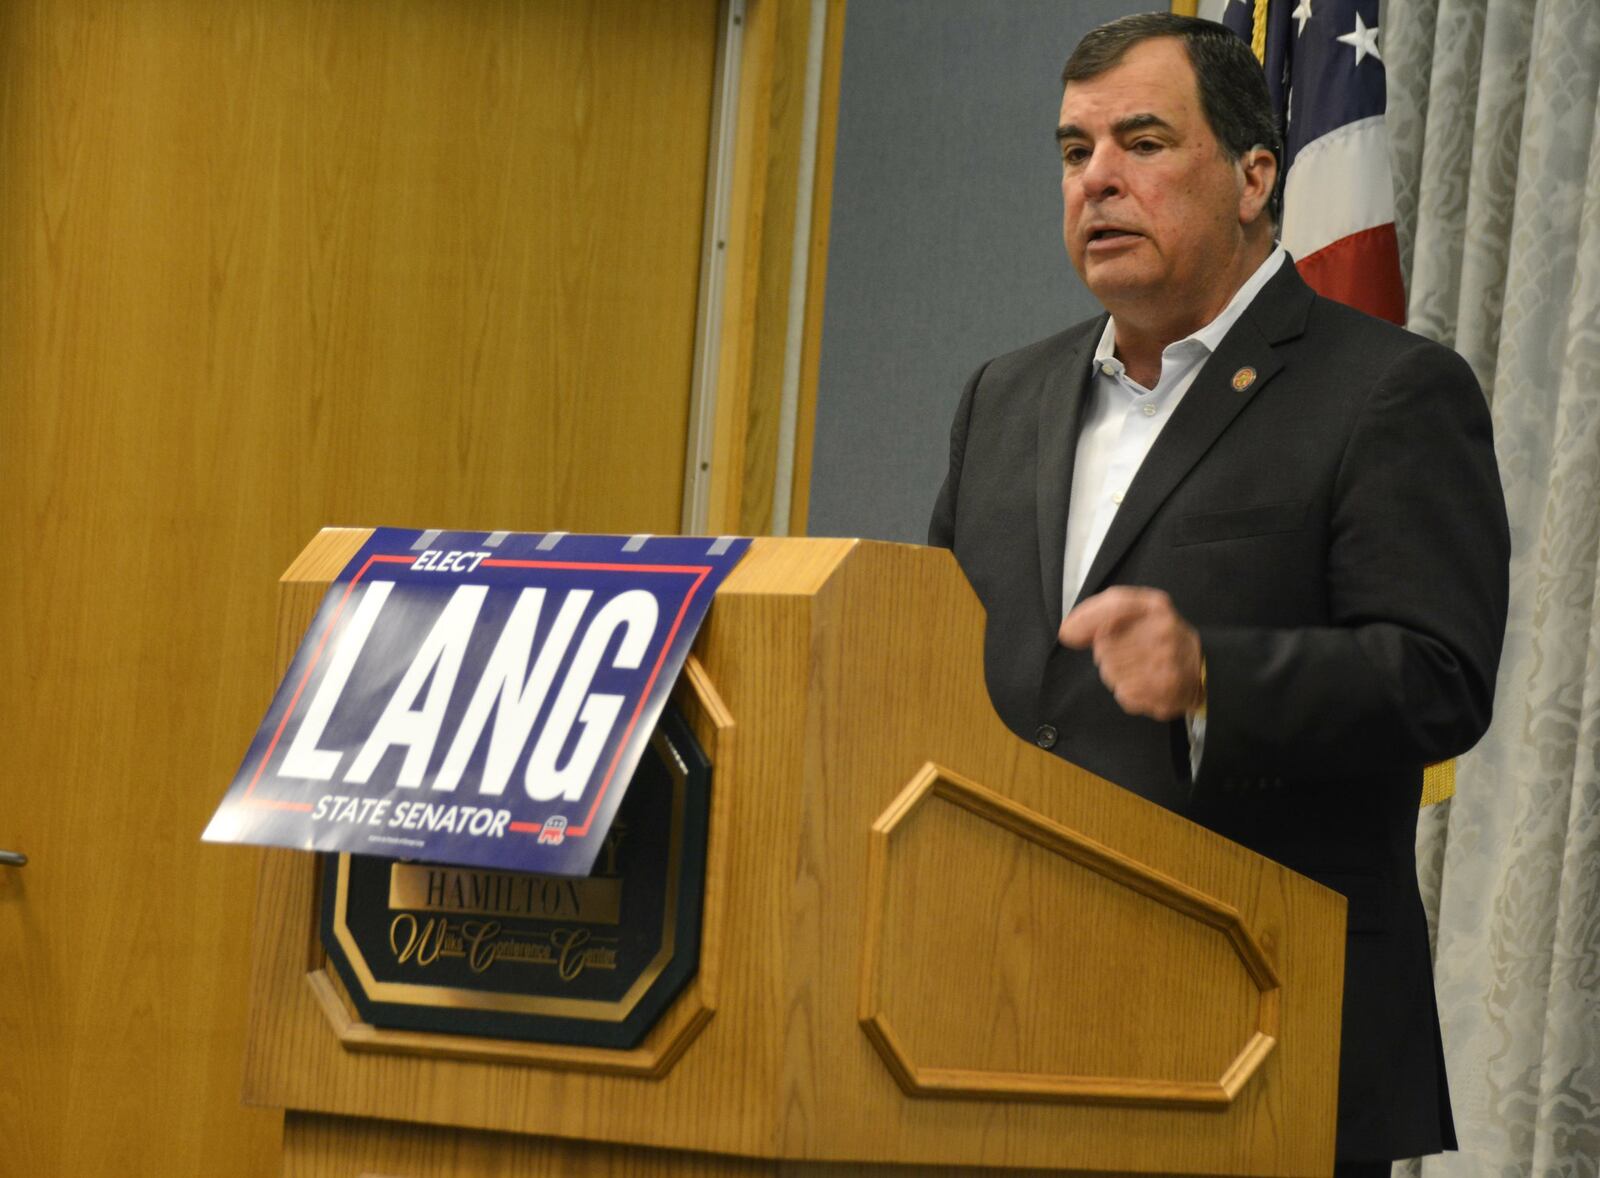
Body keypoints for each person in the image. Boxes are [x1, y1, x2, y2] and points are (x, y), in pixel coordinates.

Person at [928, 13, 1509, 1175]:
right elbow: (937, 652)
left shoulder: (1386, 392)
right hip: (990, 1021)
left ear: (1254, 177)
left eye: (1141, 141)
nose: (1097, 178)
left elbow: (1439, 677)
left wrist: (1212, 677)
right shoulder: (1006, 394)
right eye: (1072, 150)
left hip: (1255, 1034)